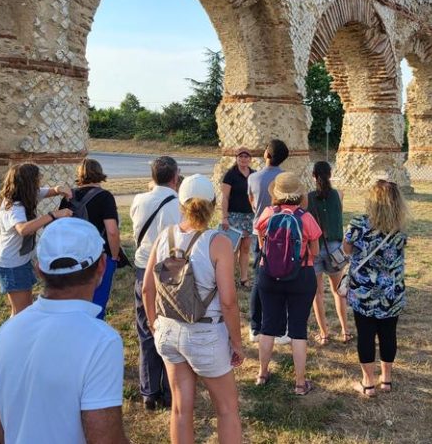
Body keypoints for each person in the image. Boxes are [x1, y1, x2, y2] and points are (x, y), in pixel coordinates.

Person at [0, 218, 129, 443]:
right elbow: (104, 438)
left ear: (39, 269)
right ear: (101, 266)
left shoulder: (9, 329)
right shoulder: (102, 340)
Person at [142, 174, 244, 444]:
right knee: (227, 409)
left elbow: (146, 289)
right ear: (213, 204)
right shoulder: (217, 242)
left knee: (180, 408)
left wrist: (154, 324)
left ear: (181, 204)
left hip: (167, 329)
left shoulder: (165, 236)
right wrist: (237, 342)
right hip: (205, 334)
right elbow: (229, 301)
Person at [254, 172, 322, 395]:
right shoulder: (306, 217)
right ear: (298, 194)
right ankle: (300, 383)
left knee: (268, 325)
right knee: (298, 329)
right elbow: (315, 251)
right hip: (301, 276)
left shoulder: (267, 213)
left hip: (269, 275)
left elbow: (261, 243)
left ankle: (262, 373)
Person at [343, 178, 408, 397]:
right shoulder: (400, 228)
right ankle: (386, 379)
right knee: (389, 333)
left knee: (366, 335)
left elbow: (346, 249)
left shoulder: (359, 224)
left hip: (364, 291)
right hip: (391, 290)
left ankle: (368, 382)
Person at [129, 156, 181, 410]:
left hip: (142, 268)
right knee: (170, 328)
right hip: (167, 269)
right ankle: (172, 390)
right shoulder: (176, 204)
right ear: (175, 177)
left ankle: (150, 391)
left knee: (146, 329)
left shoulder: (138, 200)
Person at [0, 163, 73, 316]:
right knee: (22, 313)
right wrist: (53, 215)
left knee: (21, 310)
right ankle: (14, 338)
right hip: (11, 265)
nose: (40, 180)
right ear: (29, 182)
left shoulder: (27, 195)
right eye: (38, 177)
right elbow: (23, 229)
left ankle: (16, 337)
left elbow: (49, 191)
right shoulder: (14, 206)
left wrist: (59, 189)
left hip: (18, 262)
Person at [60, 158, 120, 320]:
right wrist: (114, 257)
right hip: (98, 255)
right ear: (100, 174)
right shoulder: (105, 197)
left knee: (73, 300)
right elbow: (112, 231)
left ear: (80, 175)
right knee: (97, 302)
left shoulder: (68, 196)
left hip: (72, 255)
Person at [246, 139, 291, 345]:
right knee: (282, 278)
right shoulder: (286, 179)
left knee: (259, 278)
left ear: (267, 155)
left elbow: (252, 203)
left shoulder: (253, 178)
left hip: (260, 231)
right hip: (283, 231)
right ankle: (280, 329)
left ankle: (255, 328)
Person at [307, 161, 351, 345]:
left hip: (315, 247)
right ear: (330, 174)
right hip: (334, 248)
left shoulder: (307, 198)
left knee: (317, 294)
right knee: (338, 291)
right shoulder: (338, 194)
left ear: (313, 176)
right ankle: (345, 331)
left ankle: (324, 333)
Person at [220, 146, 256, 288]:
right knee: (233, 249)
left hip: (249, 216)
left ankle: (244, 278)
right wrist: (224, 217)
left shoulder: (253, 175)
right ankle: (230, 278)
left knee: (246, 248)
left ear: (250, 159)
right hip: (234, 215)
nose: (243, 159)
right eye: (241, 156)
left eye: (246, 156)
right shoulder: (230, 174)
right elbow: (224, 197)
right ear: (236, 158)